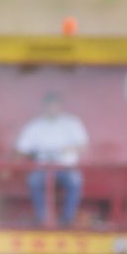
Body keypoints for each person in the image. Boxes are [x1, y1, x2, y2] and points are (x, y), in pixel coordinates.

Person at [15, 88, 90, 227]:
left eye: (55, 105)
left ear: (60, 106)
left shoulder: (72, 123)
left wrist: (68, 150)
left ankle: (67, 219)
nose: (52, 108)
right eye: (49, 105)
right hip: (43, 167)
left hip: (66, 166)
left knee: (75, 181)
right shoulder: (35, 125)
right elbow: (22, 149)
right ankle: (43, 218)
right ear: (44, 106)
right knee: (33, 181)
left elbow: (83, 146)